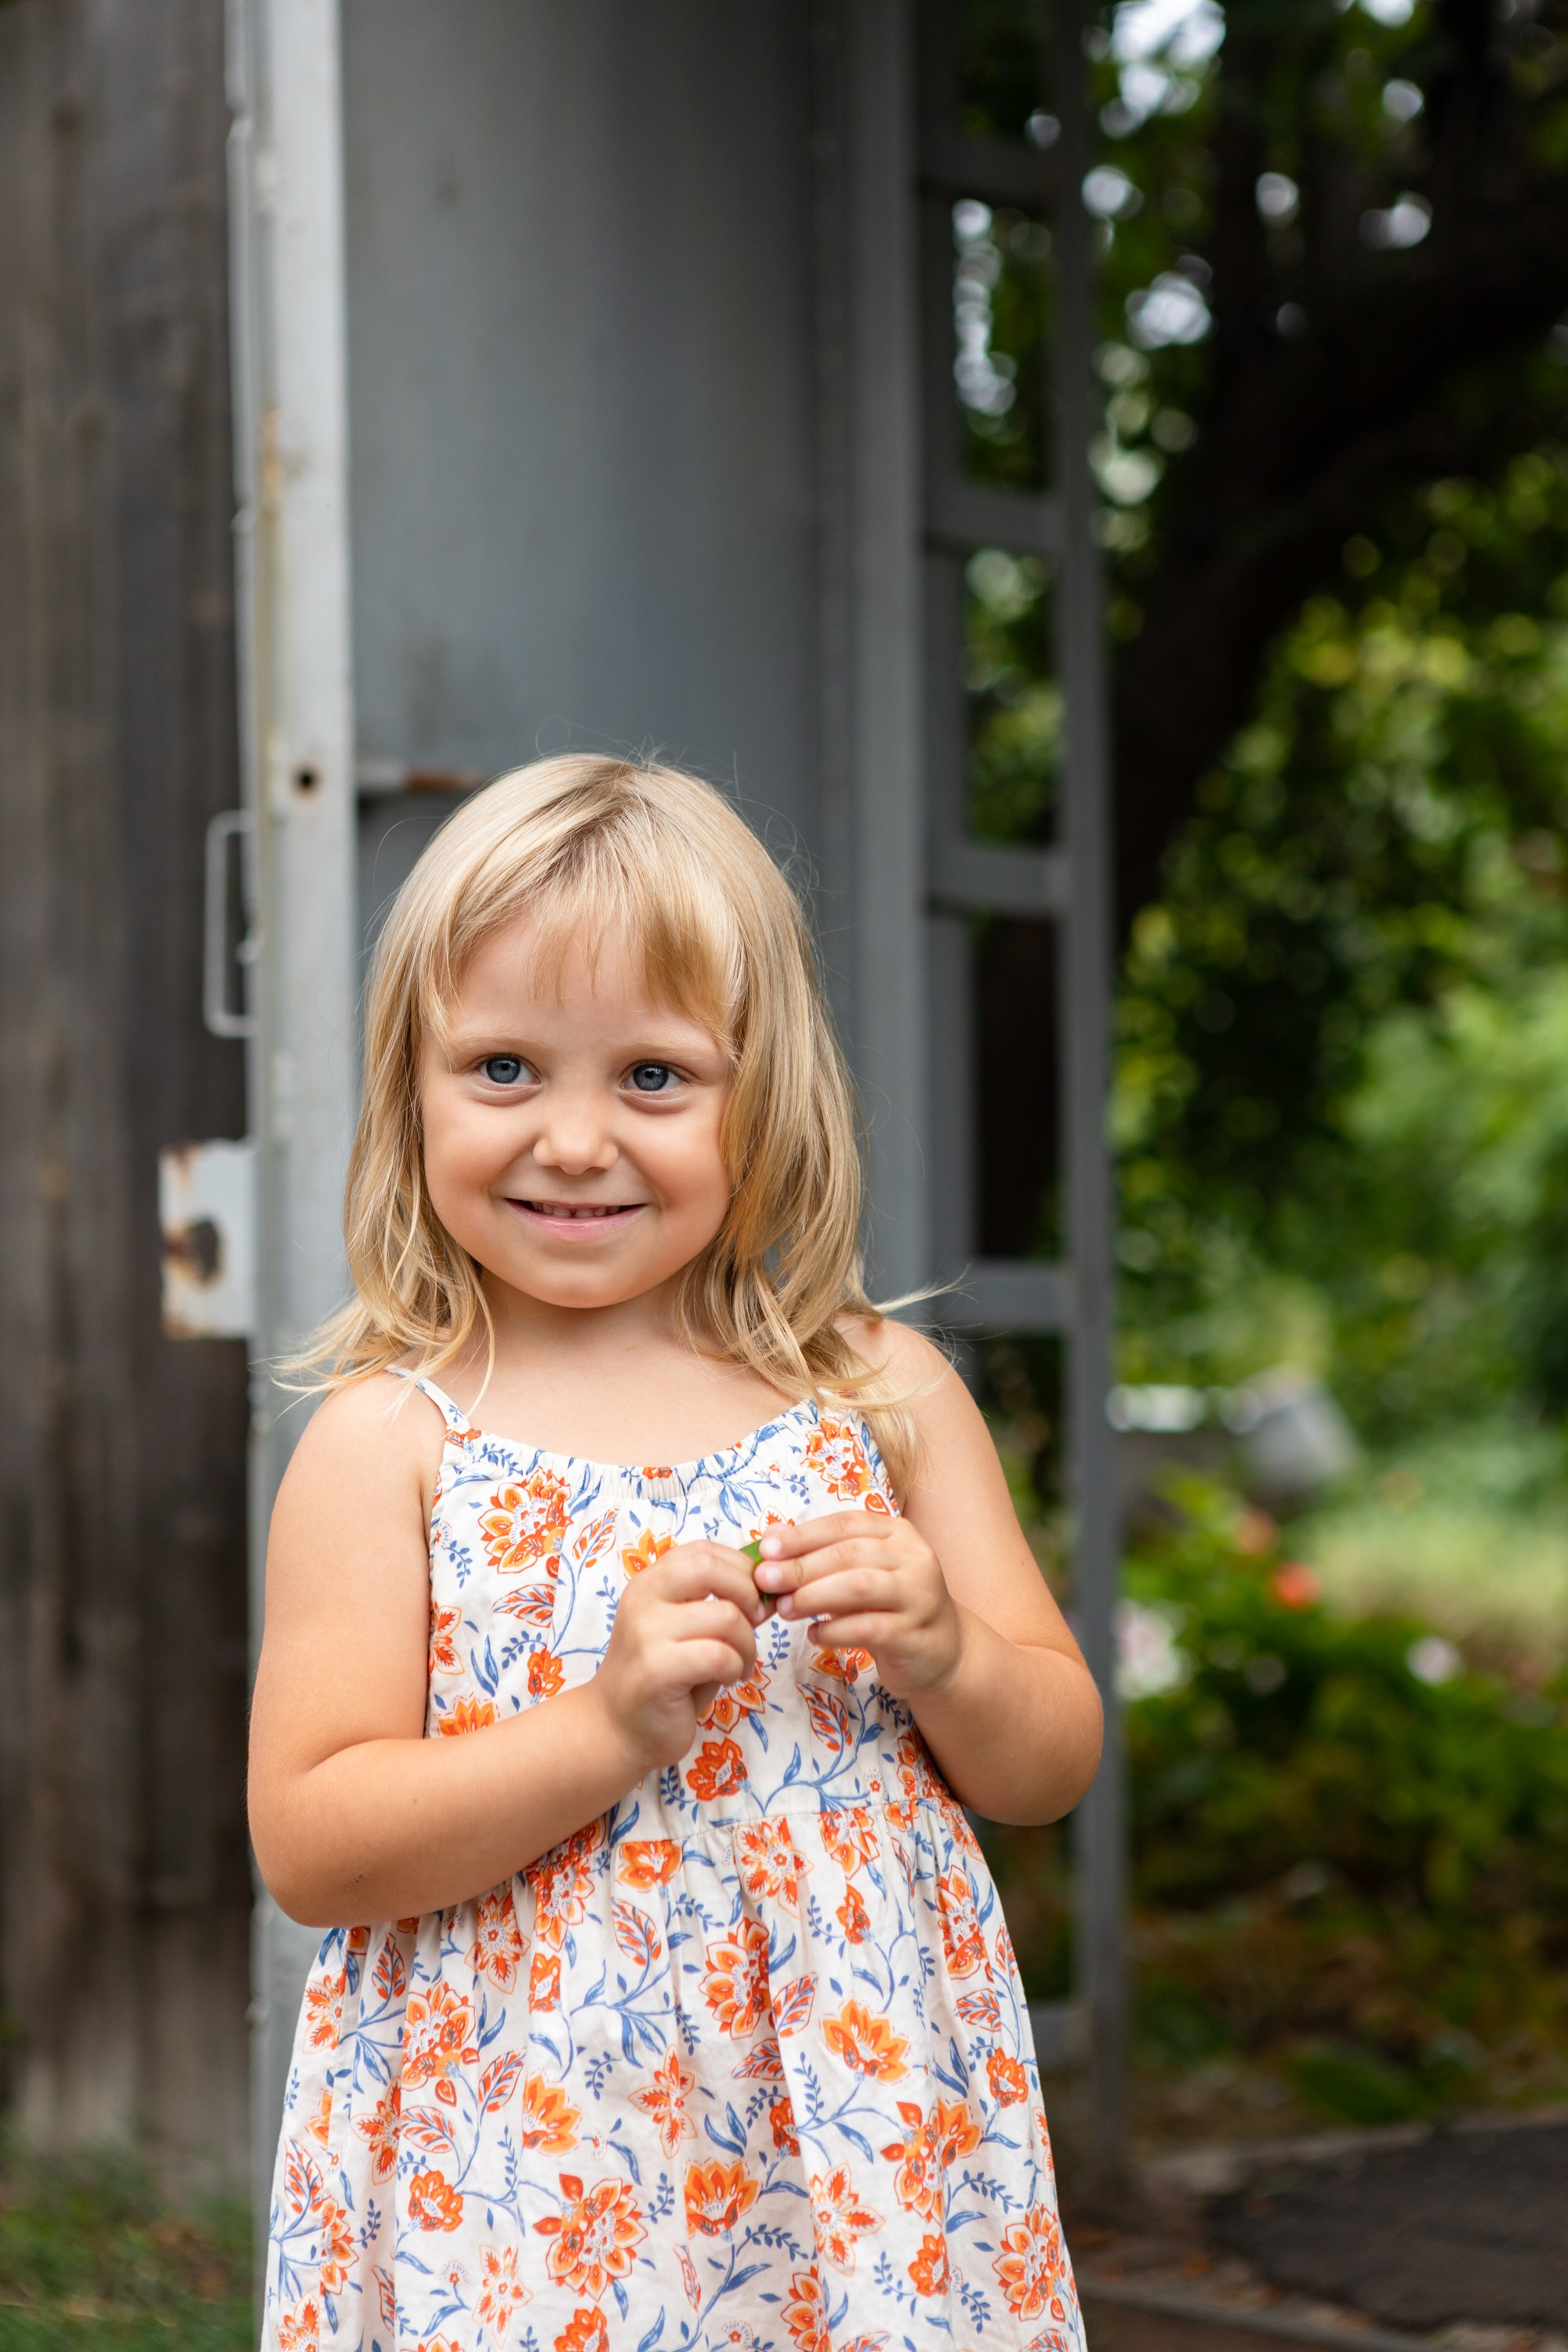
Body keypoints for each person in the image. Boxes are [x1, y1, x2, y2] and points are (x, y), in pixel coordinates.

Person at [249, 755, 1103, 2352]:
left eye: (652, 1077)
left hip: (850, 2157)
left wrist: (947, 1654)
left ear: (761, 1094)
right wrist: (600, 1730)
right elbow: (312, 1841)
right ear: (408, 1089)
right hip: (522, 2174)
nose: (575, 1139)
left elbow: (1049, 1759)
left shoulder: (877, 1397)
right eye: (503, 1068)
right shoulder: (394, 1441)